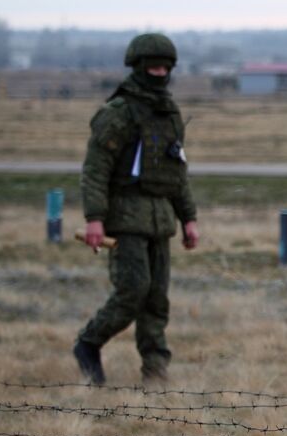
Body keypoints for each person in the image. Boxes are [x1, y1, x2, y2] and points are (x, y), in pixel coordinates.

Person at [73, 33, 199, 387]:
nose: (160, 73)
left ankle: (155, 372)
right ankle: (88, 343)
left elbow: (177, 172)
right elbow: (95, 170)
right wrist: (94, 219)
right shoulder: (118, 113)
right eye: (153, 66)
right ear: (139, 67)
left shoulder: (169, 113)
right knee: (133, 291)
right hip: (125, 218)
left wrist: (188, 218)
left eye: (165, 67)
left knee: (157, 299)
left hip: (160, 219)